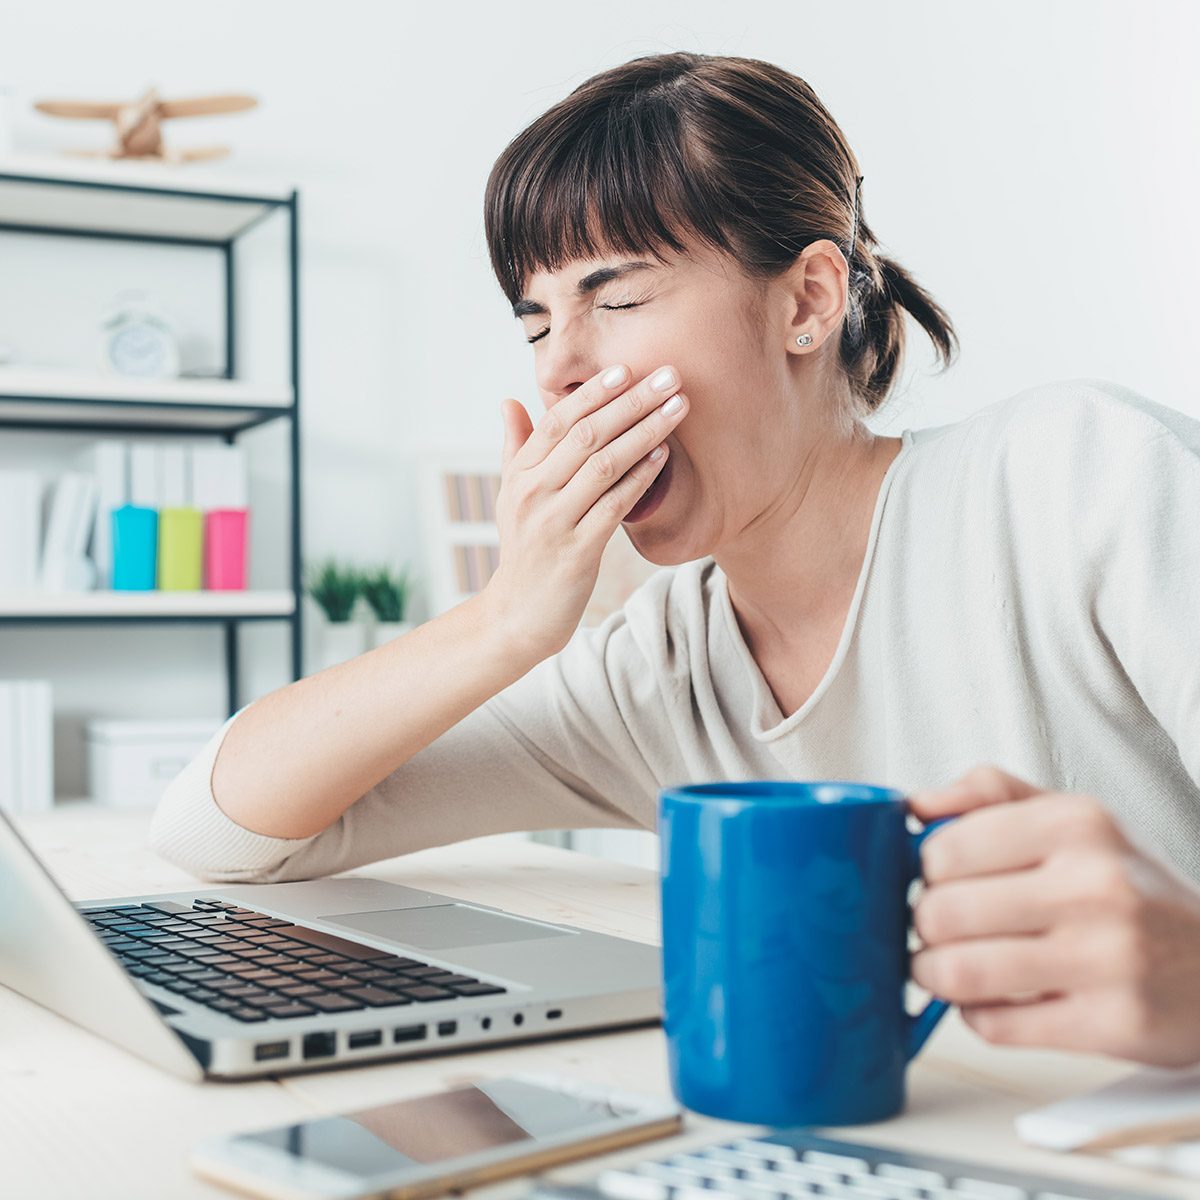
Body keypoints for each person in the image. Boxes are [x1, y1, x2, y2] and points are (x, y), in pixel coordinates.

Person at [152, 52, 1200, 1068]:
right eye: (536, 324)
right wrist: (501, 622)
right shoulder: (657, 671)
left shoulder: (1083, 478)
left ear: (808, 301)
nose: (560, 370)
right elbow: (221, 828)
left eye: (616, 300)